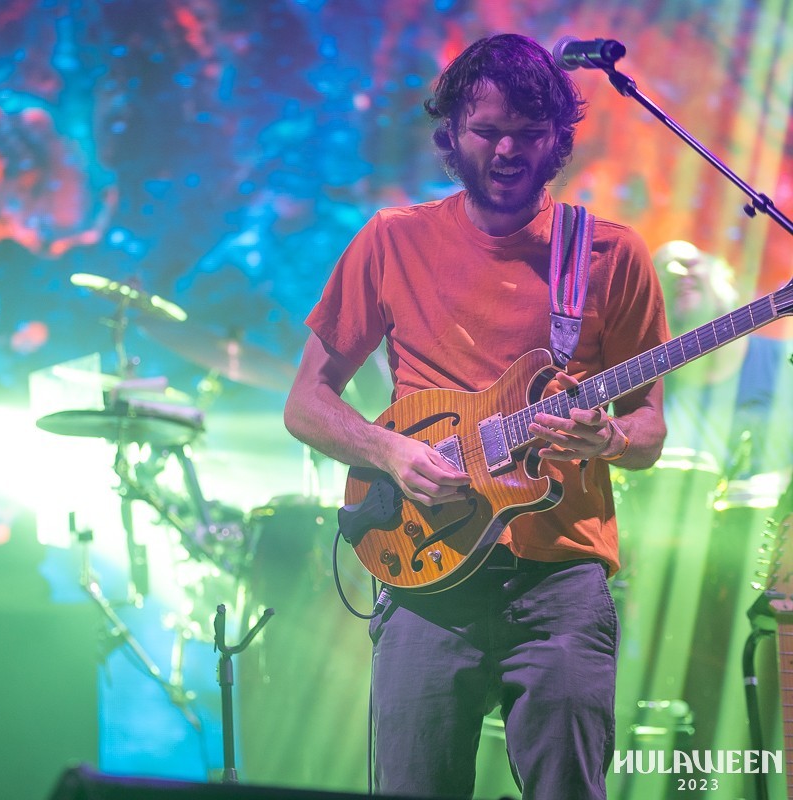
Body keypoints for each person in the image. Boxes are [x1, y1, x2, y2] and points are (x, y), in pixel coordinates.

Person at [284, 34, 669, 800]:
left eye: (529, 133)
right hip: (427, 574)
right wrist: (389, 452)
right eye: (488, 130)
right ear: (452, 133)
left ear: (559, 140)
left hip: (561, 578)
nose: (507, 151)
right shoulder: (392, 239)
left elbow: (648, 429)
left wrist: (609, 438)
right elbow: (307, 402)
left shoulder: (610, 255)